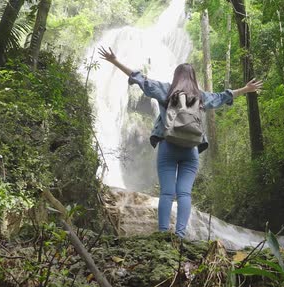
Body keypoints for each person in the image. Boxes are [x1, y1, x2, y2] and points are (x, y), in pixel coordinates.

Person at [99, 46, 262, 238]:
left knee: (167, 193)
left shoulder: (166, 90)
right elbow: (222, 97)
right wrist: (246, 89)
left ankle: (162, 233)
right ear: (193, 77)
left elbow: (139, 78)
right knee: (184, 194)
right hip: (191, 149)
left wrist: (114, 60)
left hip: (168, 146)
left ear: (177, 76)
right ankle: (181, 235)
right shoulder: (200, 96)